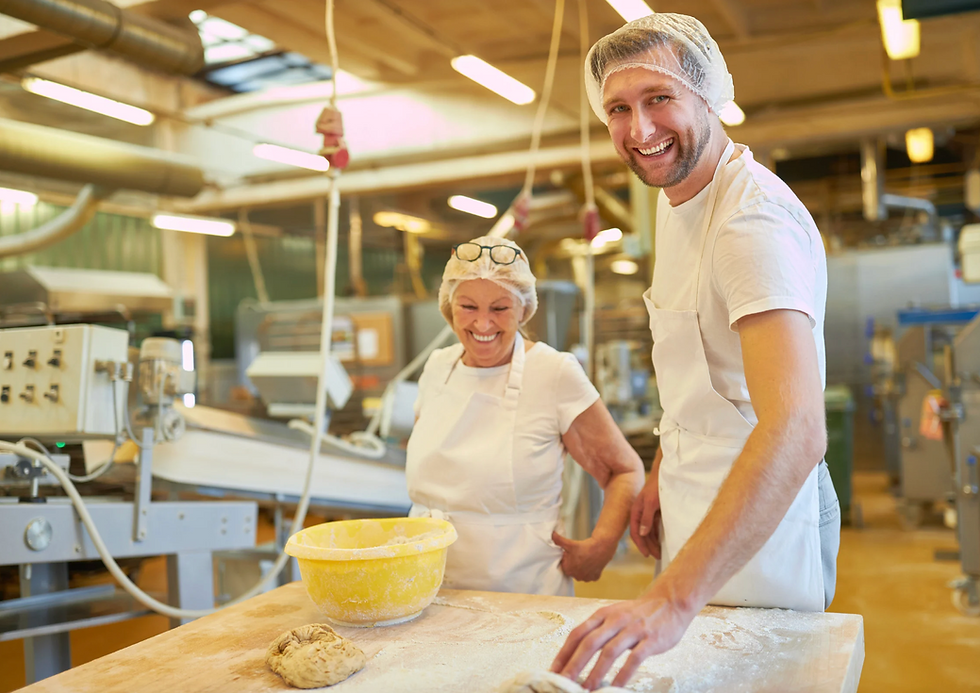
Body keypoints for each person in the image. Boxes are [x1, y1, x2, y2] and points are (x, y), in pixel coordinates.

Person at [551, 13, 841, 689]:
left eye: (660, 99)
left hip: (766, 519)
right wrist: (663, 468)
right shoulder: (680, 193)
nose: (639, 130)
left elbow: (797, 428)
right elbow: (707, 372)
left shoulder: (751, 225)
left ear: (708, 96)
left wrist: (670, 596)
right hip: (696, 494)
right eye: (619, 108)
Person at [406, 236, 644, 597]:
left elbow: (624, 470)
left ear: (524, 309)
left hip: (521, 597)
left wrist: (604, 544)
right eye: (468, 306)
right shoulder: (438, 368)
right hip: (426, 591)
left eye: (500, 308)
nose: (483, 323)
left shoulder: (552, 372)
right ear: (449, 306)